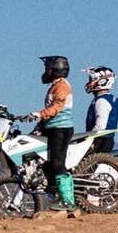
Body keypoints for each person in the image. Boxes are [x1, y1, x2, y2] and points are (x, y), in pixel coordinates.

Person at [35, 54, 76, 210]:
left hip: (61, 129)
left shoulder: (62, 86)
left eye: (48, 68)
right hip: (52, 127)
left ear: (56, 70)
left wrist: (40, 114)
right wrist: (39, 125)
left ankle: (68, 201)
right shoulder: (54, 85)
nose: (46, 71)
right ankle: (53, 192)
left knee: (58, 164)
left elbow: (57, 106)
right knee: (46, 164)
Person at [84, 65, 118, 154]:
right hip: (106, 139)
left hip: (100, 141)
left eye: (91, 79)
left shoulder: (102, 101)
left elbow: (100, 125)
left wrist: (88, 140)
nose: (89, 82)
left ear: (101, 81)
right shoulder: (111, 99)